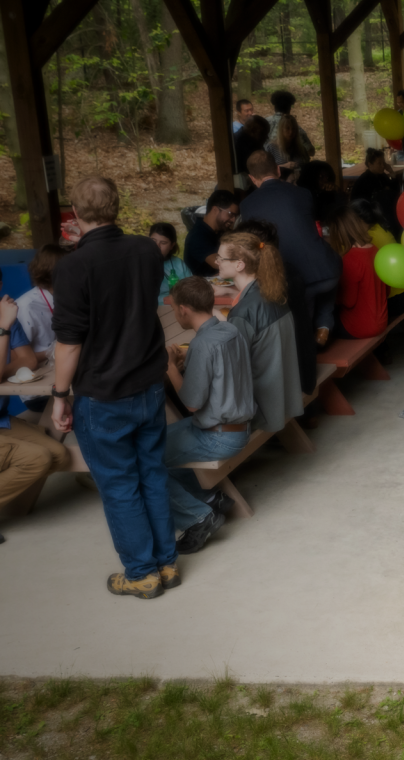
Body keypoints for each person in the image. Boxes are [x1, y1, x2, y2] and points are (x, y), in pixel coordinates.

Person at [51, 177, 175, 599]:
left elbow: (69, 343)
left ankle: (141, 572)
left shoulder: (72, 266)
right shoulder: (145, 248)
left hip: (103, 393)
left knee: (121, 485)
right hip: (148, 383)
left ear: (74, 213)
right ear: (118, 206)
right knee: (152, 474)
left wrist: (58, 396)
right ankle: (166, 563)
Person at [159, 277, 255, 554]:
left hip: (217, 436)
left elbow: (190, 403)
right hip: (236, 425)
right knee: (157, 440)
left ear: (183, 309)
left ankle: (198, 517)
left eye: (174, 307)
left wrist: (171, 368)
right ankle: (209, 497)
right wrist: (185, 363)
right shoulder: (230, 330)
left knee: (144, 460)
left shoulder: (201, 345)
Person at [241, 149, 341, 380]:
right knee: (326, 287)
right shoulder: (303, 194)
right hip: (327, 270)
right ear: (278, 169)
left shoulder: (247, 206)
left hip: (293, 281)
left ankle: (305, 377)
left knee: (301, 324)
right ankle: (325, 324)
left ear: (252, 179)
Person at [217, 226, 304, 435]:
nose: (216, 261)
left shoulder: (243, 312)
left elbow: (230, 365)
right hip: (284, 396)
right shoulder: (271, 292)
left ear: (239, 265)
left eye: (220, 258)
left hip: (261, 409)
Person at [0, 271, 62, 521]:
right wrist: (3, 328)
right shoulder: (6, 319)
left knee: (59, 455)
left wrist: (4, 369)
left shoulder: (6, 316)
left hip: (1, 417)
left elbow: (27, 360)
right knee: (37, 458)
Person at [323, 207, 387, 339]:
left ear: (338, 232)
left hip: (358, 327)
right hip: (381, 322)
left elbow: (348, 301)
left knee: (321, 321)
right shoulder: (375, 249)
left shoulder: (350, 259)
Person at [184, 188, 239, 277]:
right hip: (203, 288)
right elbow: (218, 263)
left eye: (235, 216)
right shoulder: (197, 235)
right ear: (215, 210)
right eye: (230, 214)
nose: (233, 220)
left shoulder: (220, 231)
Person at [149, 222, 193, 306]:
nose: (156, 246)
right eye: (153, 241)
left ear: (172, 246)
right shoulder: (139, 263)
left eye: (163, 243)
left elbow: (191, 290)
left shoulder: (179, 264)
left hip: (177, 308)